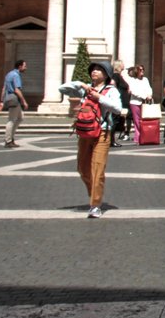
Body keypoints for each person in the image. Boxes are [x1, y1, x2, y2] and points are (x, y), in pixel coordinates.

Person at [60, 62, 123, 219]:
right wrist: (81, 84)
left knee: (97, 168)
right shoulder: (85, 88)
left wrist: (99, 98)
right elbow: (62, 88)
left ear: (106, 74)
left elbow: (117, 108)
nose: (95, 72)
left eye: (99, 70)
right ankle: (94, 192)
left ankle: (95, 204)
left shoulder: (111, 90)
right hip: (85, 132)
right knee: (82, 167)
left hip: (102, 132)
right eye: (93, 70)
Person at [0, 59, 28, 148]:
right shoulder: (16, 75)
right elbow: (17, 89)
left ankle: (10, 137)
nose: (26, 68)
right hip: (14, 99)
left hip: (10, 98)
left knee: (20, 118)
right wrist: (24, 101)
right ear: (20, 66)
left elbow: (4, 88)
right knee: (11, 120)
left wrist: (1, 101)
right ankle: (8, 140)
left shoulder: (9, 74)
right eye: (25, 66)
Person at [125, 64, 153, 142]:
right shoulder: (133, 80)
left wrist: (149, 95)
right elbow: (133, 91)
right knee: (137, 121)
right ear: (137, 71)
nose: (142, 71)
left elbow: (149, 88)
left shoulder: (145, 79)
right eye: (140, 70)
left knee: (144, 120)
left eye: (143, 69)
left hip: (144, 103)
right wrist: (144, 96)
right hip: (135, 102)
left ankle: (144, 136)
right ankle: (138, 137)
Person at [110, 60, 131, 146]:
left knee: (117, 121)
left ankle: (112, 140)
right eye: (122, 63)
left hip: (122, 102)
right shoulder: (115, 75)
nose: (124, 65)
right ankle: (111, 141)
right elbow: (113, 85)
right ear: (119, 66)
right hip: (118, 102)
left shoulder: (119, 76)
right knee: (114, 121)